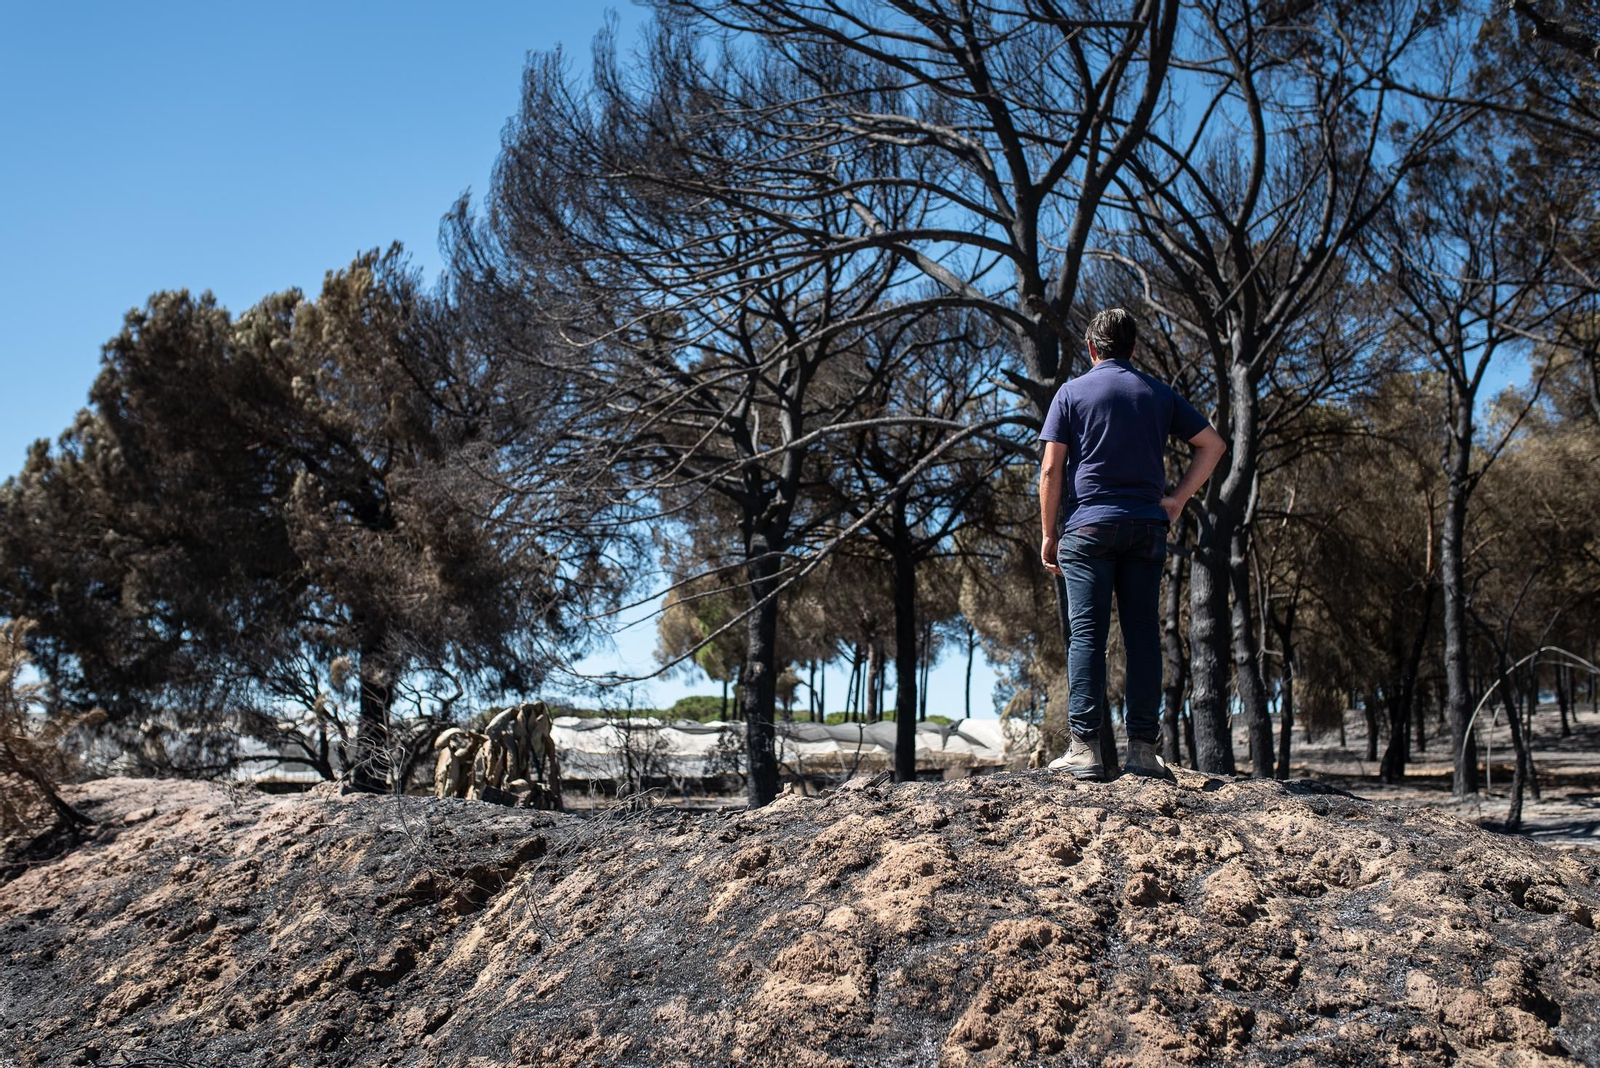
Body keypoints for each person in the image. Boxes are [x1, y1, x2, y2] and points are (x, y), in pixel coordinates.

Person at [1037, 308, 1226, 781]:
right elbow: (1213, 445)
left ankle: (1085, 750)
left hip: (1088, 530)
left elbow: (1051, 469)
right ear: (1134, 348)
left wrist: (1049, 533)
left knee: (1088, 635)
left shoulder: (1070, 393)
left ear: (1091, 348)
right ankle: (1142, 751)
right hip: (1145, 528)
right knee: (1143, 635)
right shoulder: (1157, 393)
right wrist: (1177, 500)